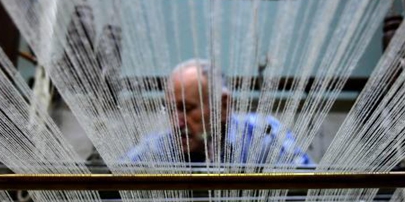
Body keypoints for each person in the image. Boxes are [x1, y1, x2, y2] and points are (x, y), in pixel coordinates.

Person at [125, 60, 314, 167]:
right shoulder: (156, 151)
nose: (176, 122)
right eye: (171, 109)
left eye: (187, 109)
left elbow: (313, 192)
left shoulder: (262, 137)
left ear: (223, 106)